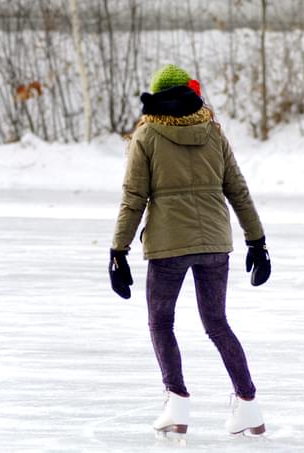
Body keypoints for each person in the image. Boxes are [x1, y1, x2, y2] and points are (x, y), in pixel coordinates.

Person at [108, 64, 271, 437]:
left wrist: (119, 250)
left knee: (161, 322)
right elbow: (238, 189)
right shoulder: (213, 131)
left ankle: (177, 403)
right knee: (217, 323)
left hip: (168, 246)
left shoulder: (147, 135)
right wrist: (256, 240)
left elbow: (134, 198)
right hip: (215, 242)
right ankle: (249, 405)